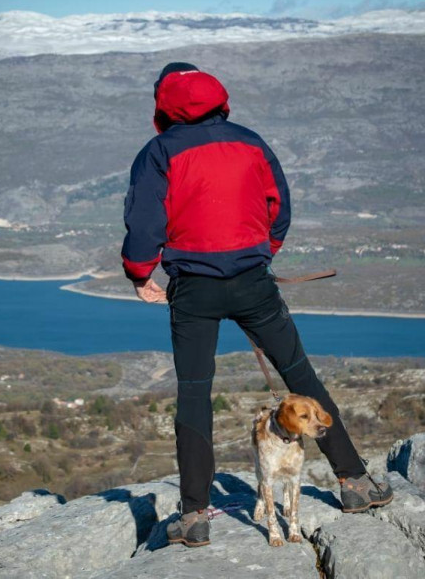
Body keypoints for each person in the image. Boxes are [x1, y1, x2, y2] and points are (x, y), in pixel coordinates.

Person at [121, 62, 393, 547]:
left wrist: (141, 274)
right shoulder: (249, 141)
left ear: (162, 106)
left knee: (194, 393)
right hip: (254, 284)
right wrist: (259, 254)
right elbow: (278, 208)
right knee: (301, 377)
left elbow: (144, 224)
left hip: (193, 289)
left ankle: (195, 517)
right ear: (219, 97)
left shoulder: (158, 152)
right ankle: (354, 483)